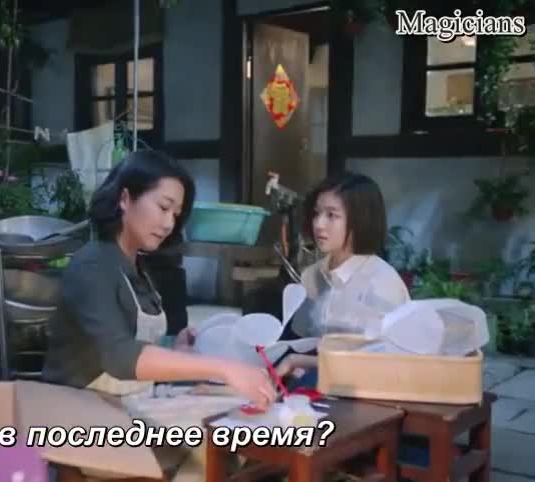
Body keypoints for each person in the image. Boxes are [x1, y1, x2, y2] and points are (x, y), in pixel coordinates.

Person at [42, 149, 277, 410]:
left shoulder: (136, 267)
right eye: (164, 207)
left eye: (175, 214)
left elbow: (137, 345)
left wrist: (176, 350)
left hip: (125, 403)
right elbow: (120, 357)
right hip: (78, 411)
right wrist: (225, 368)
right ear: (125, 199)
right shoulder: (93, 265)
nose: (168, 224)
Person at [276, 171, 411, 384]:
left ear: (360, 220)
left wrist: (300, 361)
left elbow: (387, 362)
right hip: (318, 388)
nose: (319, 224)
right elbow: (304, 342)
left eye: (332, 215)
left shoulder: (382, 282)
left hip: (369, 392)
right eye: (317, 213)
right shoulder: (312, 275)